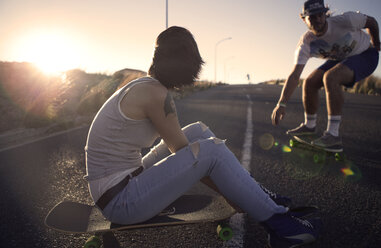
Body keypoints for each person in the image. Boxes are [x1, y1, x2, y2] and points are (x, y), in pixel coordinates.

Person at [85, 26, 321, 247]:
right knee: (211, 152)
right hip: (121, 201)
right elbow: (188, 154)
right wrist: (230, 194)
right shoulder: (156, 93)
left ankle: (262, 197)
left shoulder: (144, 85)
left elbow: (182, 147)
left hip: (121, 183)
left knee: (197, 130)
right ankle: (282, 227)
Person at [271, 0, 380, 152]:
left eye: (320, 15)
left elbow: (372, 22)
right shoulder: (306, 43)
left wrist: (376, 43)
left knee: (331, 77)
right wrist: (281, 104)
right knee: (309, 82)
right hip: (343, 58)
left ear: (325, 14)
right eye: (312, 17)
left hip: (366, 55)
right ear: (304, 19)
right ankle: (309, 126)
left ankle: (333, 136)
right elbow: (295, 75)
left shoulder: (346, 20)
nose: (317, 20)